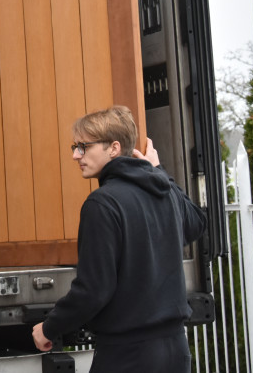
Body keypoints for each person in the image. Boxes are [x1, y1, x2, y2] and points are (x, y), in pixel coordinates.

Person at [31, 106, 206, 372]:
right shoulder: (163, 190)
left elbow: (94, 289)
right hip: (176, 352)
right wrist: (160, 171)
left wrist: (49, 327)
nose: (75, 155)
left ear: (113, 148)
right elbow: (196, 223)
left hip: (128, 355)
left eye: (83, 146)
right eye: (75, 146)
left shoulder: (102, 203)